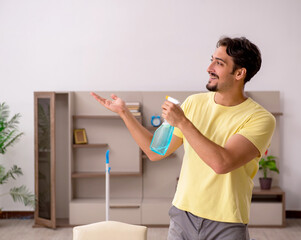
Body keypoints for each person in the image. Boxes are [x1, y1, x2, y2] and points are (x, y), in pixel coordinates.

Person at [91, 36, 276, 240]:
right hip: (182, 216)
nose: (209, 67)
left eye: (219, 63)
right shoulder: (193, 103)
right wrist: (124, 113)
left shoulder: (260, 118)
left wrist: (183, 122)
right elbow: (155, 151)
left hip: (226, 223)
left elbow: (222, 163)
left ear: (240, 73)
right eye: (212, 59)